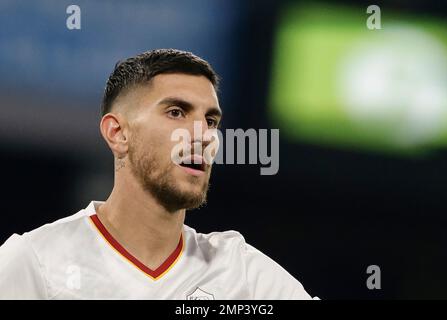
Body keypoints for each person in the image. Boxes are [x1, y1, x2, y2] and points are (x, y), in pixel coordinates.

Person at [0, 49, 317, 299]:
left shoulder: (241, 274)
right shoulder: (34, 261)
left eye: (211, 121)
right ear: (118, 133)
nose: (202, 135)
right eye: (176, 112)